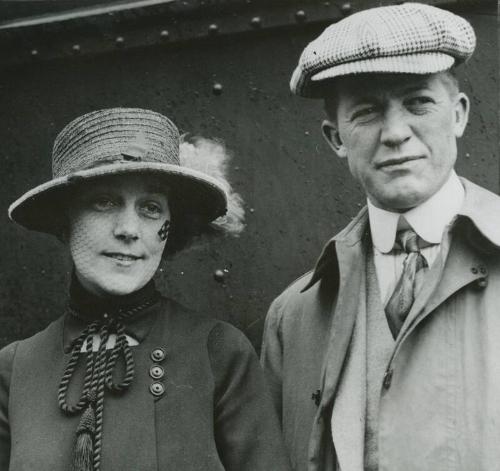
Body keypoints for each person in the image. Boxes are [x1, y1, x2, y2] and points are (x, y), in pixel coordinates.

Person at [261, 4, 500, 471]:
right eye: (367, 112)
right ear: (335, 139)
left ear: (459, 115)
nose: (395, 133)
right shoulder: (294, 318)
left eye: (418, 102)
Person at [0, 108, 291, 470]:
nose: (128, 229)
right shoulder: (15, 368)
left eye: (150, 208)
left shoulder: (218, 351)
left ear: (170, 226)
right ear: (65, 221)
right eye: (104, 202)